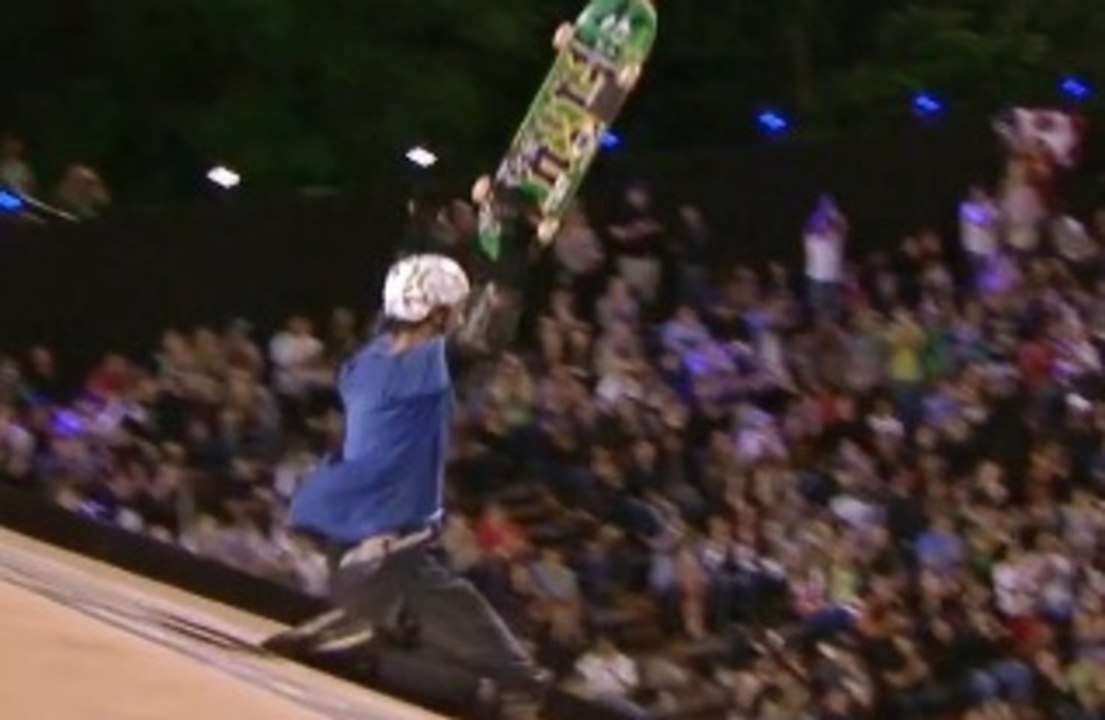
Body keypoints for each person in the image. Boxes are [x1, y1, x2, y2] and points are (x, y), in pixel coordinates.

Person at [267, 254, 549, 718]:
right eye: (452, 309)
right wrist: (511, 270)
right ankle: (511, 681)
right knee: (453, 609)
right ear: (436, 314)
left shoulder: (364, 364)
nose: (458, 316)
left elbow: (426, 328)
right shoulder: (418, 371)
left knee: (421, 605)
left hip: (347, 528)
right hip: (383, 535)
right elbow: (482, 340)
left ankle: (365, 627)